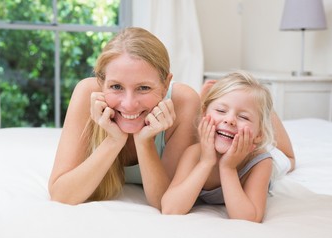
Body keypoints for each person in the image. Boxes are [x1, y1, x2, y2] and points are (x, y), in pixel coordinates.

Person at [48, 27, 200, 209]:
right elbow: (61, 194)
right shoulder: (87, 93)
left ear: (166, 83)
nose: (128, 104)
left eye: (143, 88)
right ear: (100, 82)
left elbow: (165, 202)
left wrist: (145, 143)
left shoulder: (184, 102)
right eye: (116, 87)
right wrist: (113, 140)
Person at [161, 71, 295, 222]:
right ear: (204, 115)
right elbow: (170, 208)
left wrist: (228, 168)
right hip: (219, 134)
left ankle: (266, 115)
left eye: (243, 117)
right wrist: (206, 162)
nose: (230, 120)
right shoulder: (194, 154)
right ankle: (248, 111)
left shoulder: (261, 162)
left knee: (288, 160)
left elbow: (249, 218)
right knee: (247, 106)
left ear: (259, 135)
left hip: (258, 150)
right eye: (220, 110)